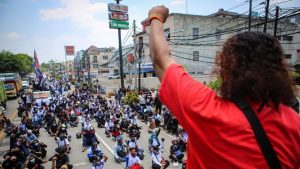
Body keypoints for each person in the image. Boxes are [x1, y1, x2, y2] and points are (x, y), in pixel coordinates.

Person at [148, 6, 300, 169]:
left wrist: (156, 17)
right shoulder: (294, 125)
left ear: (227, 67)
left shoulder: (205, 109)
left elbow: (160, 60)